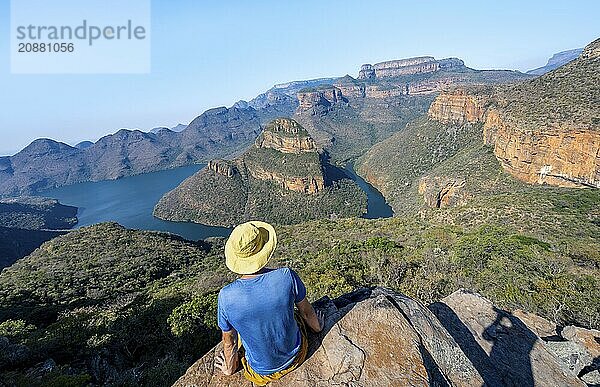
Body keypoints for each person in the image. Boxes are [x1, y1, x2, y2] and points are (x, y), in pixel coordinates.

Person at [215, 221, 323, 385]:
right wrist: (318, 327)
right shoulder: (287, 276)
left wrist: (230, 369)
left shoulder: (226, 296)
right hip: (297, 356)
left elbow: (229, 341)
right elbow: (307, 313)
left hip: (261, 372)